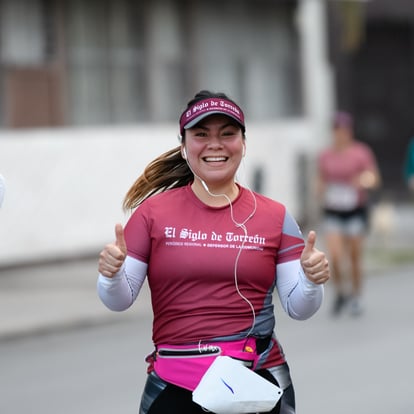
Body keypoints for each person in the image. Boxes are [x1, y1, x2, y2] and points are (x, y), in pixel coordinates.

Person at [97, 90, 330, 414]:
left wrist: (310, 280)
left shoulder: (275, 217)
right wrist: (110, 276)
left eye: (228, 134)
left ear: (243, 144)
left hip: (256, 384)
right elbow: (118, 300)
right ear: (184, 145)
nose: (215, 144)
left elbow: (300, 308)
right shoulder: (152, 214)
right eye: (201, 134)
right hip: (173, 387)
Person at [317, 111, 380, 317]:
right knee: (333, 256)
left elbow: (373, 178)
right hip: (333, 210)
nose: (340, 134)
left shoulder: (360, 152)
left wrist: (362, 181)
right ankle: (341, 293)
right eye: (336, 130)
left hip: (355, 210)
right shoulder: (326, 155)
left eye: (343, 130)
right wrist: (320, 189)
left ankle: (356, 295)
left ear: (349, 131)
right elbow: (320, 179)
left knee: (354, 256)